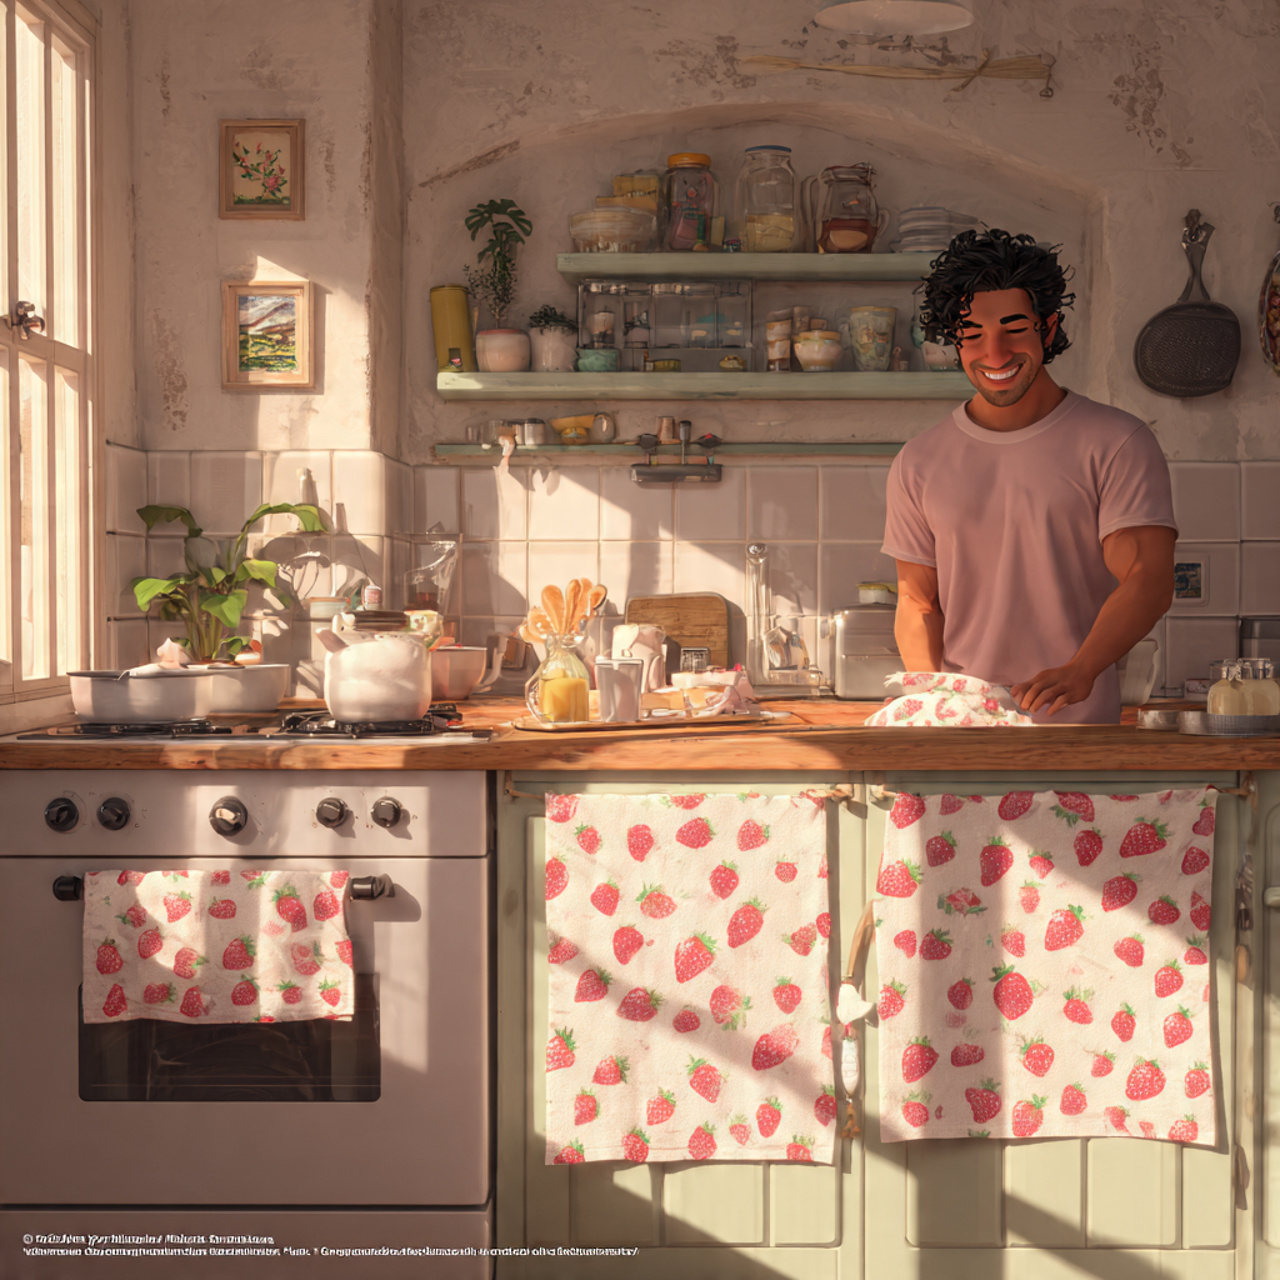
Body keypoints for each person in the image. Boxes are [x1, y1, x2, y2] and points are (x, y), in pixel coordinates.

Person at [881, 229, 1177, 723]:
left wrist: (1082, 669)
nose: (994, 354)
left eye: (1013, 329)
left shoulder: (1117, 442)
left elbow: (1149, 578)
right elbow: (917, 601)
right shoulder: (919, 460)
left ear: (1048, 326)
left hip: (1077, 732)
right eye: (972, 336)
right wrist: (934, 700)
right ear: (955, 342)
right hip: (963, 732)